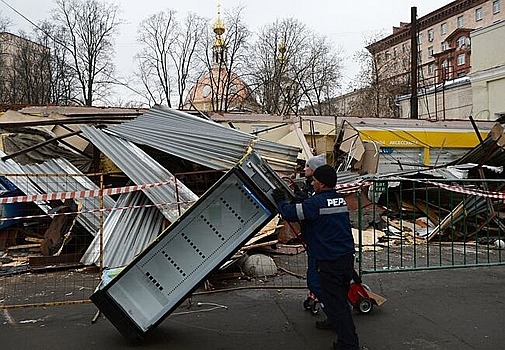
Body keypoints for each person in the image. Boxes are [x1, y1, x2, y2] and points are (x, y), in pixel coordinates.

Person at [272, 165, 359, 350]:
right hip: (344, 258)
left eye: (313, 180)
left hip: (328, 260)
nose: (312, 183)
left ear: (321, 183)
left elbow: (291, 213)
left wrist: (280, 201)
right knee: (337, 299)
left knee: (337, 304)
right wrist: (299, 197)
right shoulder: (338, 200)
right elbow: (310, 209)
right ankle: (335, 324)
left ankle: (348, 344)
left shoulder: (316, 203)